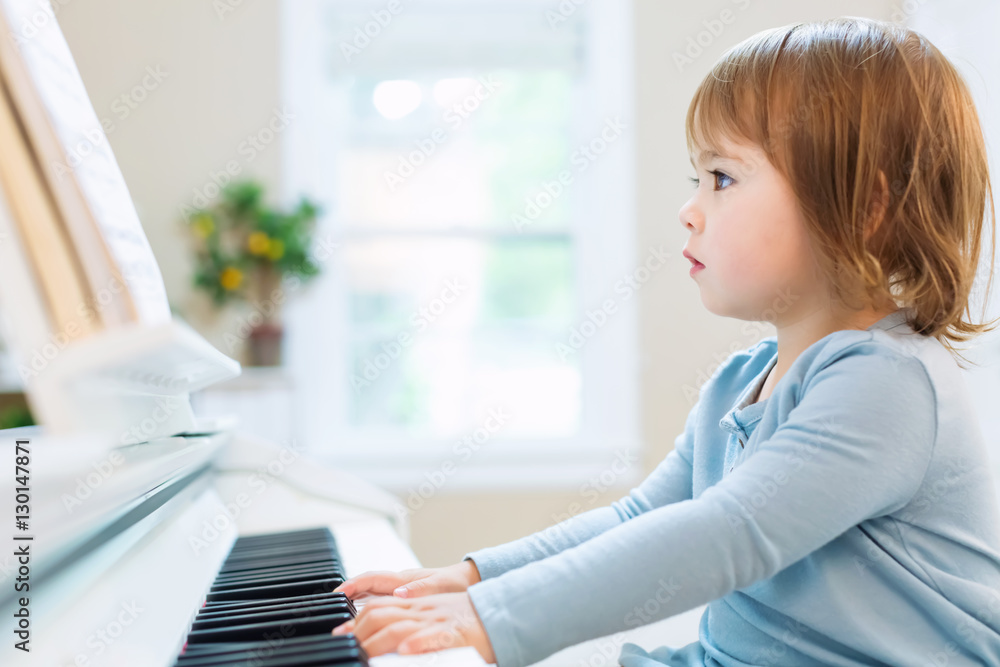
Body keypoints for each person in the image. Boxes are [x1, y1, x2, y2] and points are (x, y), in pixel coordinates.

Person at [332, 16, 1000, 666]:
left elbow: (725, 533)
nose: (690, 207)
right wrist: (473, 577)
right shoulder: (740, 383)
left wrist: (494, 618)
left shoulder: (889, 383)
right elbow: (640, 517)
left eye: (723, 178)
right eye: (697, 178)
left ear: (864, 208)